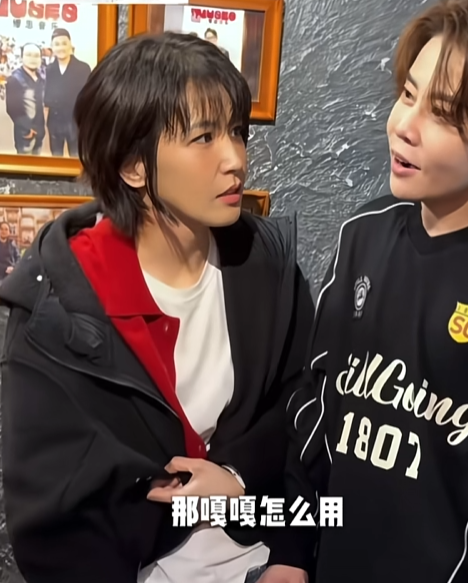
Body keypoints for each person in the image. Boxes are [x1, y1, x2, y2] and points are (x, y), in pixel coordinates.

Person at [0, 32, 312, 583]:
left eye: (238, 132)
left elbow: (303, 416)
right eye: (204, 137)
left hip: (262, 546)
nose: (236, 160)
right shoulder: (56, 309)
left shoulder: (267, 265)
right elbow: (51, 520)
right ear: (132, 166)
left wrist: (290, 552)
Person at [285, 0, 468, 581]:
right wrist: (290, 552)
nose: (403, 126)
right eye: (407, 94)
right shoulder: (362, 234)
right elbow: (316, 411)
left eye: (442, 113)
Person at [44, 27, 91, 157]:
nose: (61, 48)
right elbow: (46, 97)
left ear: (70, 45)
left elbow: (88, 96)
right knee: (56, 156)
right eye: (57, 44)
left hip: (75, 121)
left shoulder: (83, 68)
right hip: (55, 121)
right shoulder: (48, 70)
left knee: (76, 156)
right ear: (52, 47)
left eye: (64, 43)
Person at [5, 43, 45, 155]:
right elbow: (12, 108)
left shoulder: (41, 78)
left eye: (36, 56)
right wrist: (27, 129)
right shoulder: (15, 79)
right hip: (25, 134)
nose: (33, 59)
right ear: (22, 57)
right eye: (29, 55)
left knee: (38, 163)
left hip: (40, 132)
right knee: (25, 163)